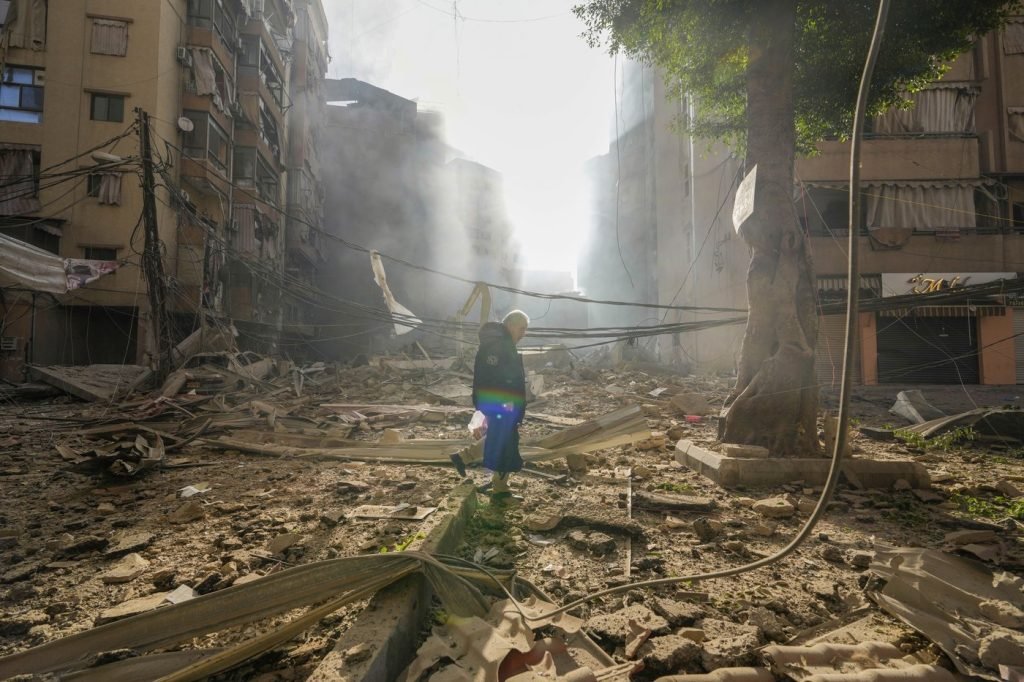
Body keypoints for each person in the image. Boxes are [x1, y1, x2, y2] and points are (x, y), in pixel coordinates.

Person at [450, 310, 529, 502]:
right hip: (502, 403)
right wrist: (508, 402)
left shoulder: (499, 344)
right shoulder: (498, 346)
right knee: (505, 444)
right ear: (511, 325)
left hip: (501, 402)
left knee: (500, 438)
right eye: (522, 328)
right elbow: (497, 378)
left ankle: (463, 457)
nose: (524, 333)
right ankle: (500, 492)